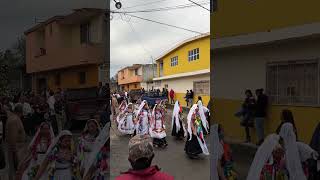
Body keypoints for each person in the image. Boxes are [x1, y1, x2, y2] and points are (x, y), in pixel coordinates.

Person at [5, 104, 27, 180]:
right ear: (20, 112)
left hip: (18, 148)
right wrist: (15, 153)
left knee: (17, 169)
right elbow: (12, 138)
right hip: (16, 149)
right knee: (15, 169)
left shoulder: (14, 118)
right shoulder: (14, 120)